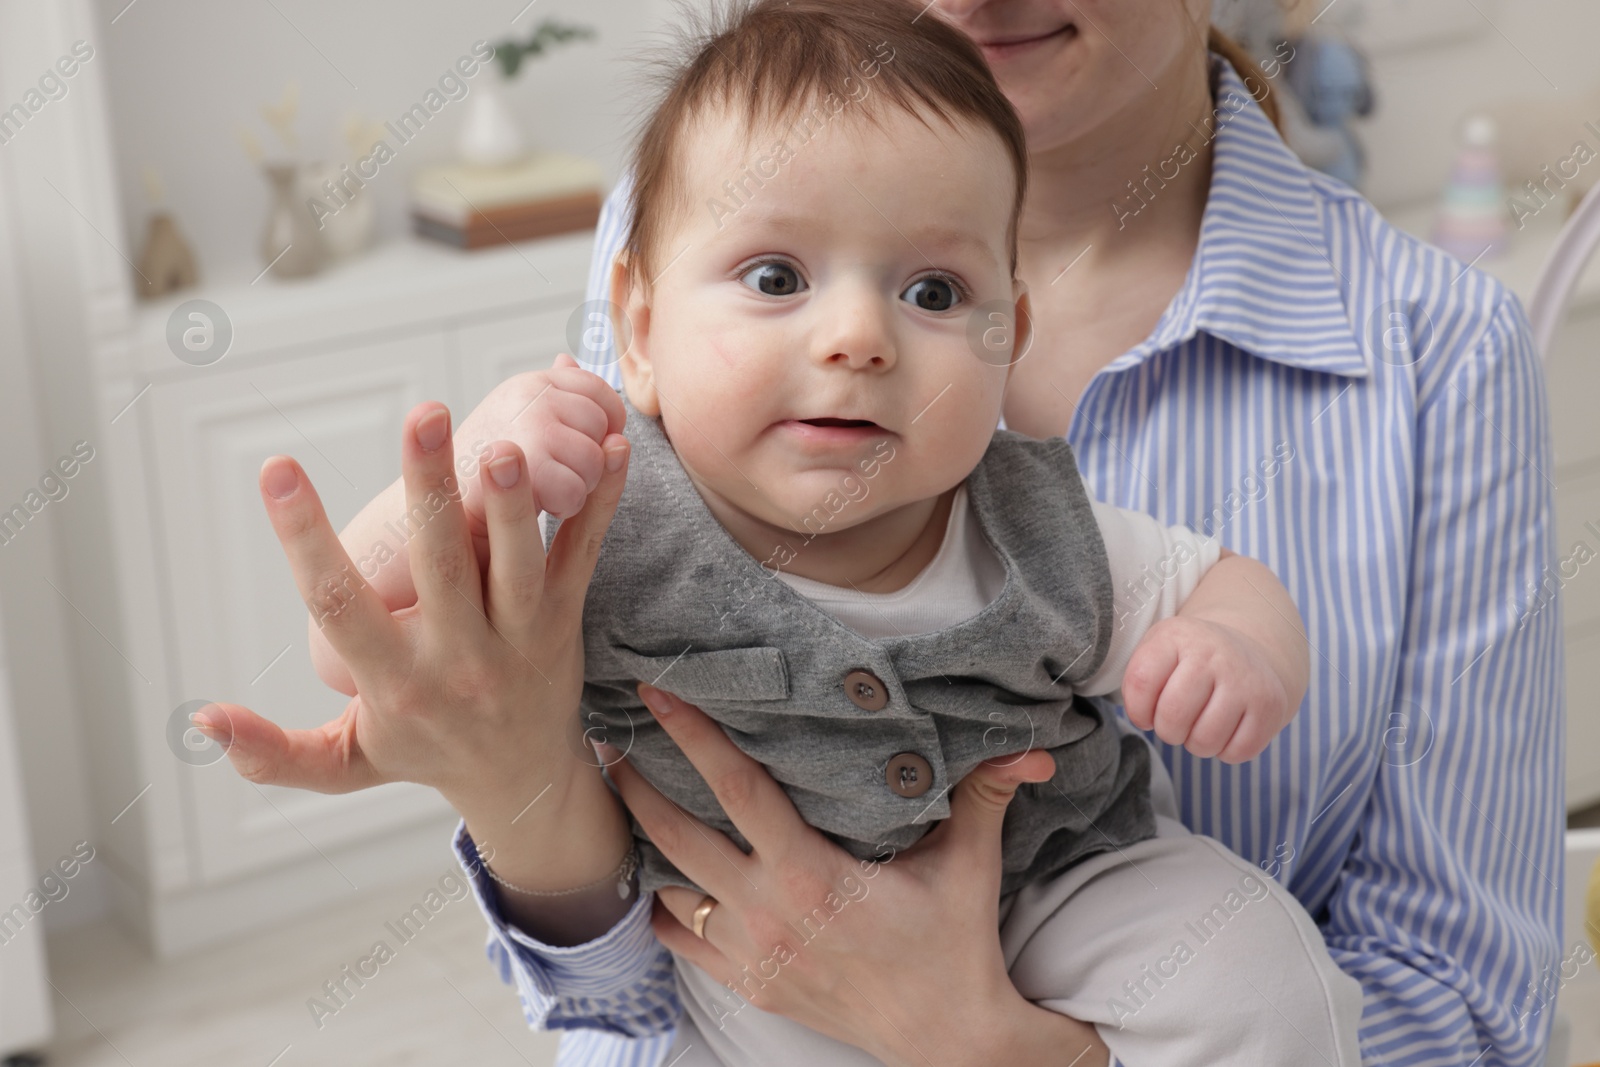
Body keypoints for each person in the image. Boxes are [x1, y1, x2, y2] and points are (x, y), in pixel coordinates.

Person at [200, 0, 1564, 1064]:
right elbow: (603, 1000)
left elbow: (1469, 1007)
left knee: (1258, 964)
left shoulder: (1389, 371)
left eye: (928, 288)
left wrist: (1240, 657)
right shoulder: (647, 396)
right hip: (744, 980)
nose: (850, 338)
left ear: (1005, 324)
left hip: (1075, 885)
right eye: (779, 278)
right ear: (639, 324)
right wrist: (512, 763)